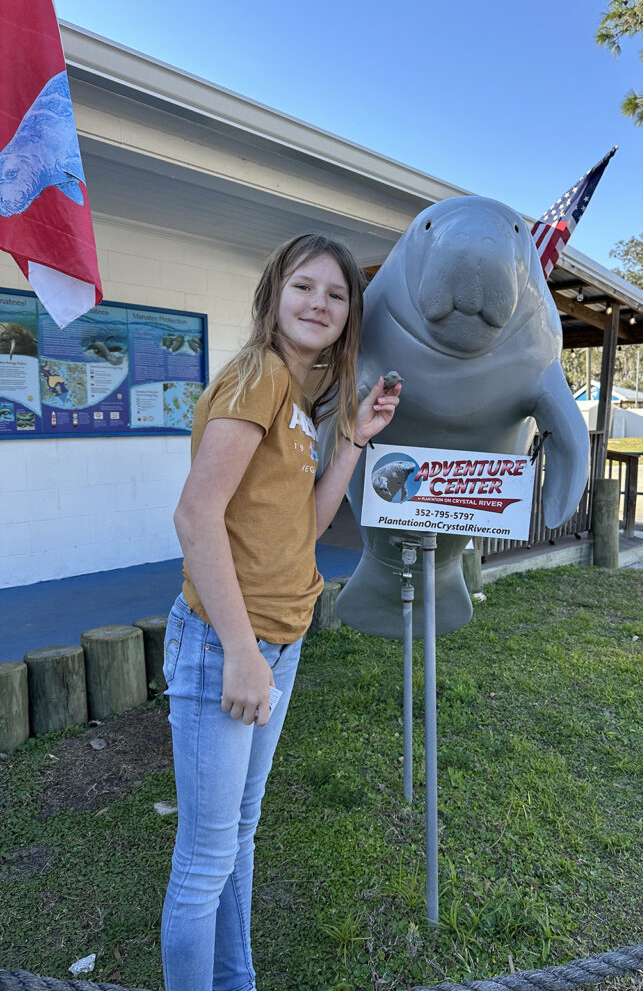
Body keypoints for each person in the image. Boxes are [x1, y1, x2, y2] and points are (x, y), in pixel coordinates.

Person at [160, 233, 401, 991]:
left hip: (277, 643)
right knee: (205, 861)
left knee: (238, 838)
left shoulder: (297, 401)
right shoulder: (259, 375)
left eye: (336, 295)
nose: (319, 304)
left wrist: (354, 440)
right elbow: (197, 515)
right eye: (306, 286)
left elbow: (311, 524)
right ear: (275, 292)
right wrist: (239, 650)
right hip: (228, 644)